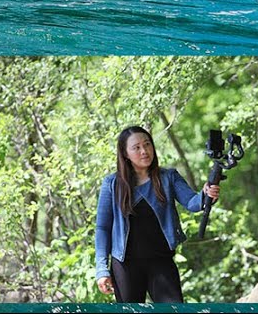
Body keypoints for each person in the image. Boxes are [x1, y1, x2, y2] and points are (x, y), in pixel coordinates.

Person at [94, 125, 221, 303]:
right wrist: (101, 269)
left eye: (147, 144)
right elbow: (102, 228)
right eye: (136, 147)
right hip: (125, 265)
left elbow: (193, 203)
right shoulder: (112, 184)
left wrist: (206, 194)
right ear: (125, 154)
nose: (144, 151)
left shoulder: (168, 177)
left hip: (161, 261)